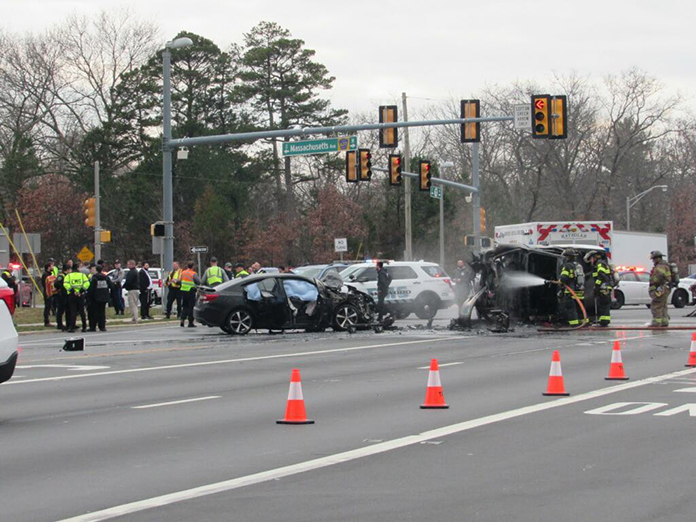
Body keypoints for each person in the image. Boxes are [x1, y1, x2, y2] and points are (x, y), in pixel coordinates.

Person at [585, 251, 613, 327]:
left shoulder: (600, 264)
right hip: (605, 288)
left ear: (594, 258)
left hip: (603, 288)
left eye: (590, 259)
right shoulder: (601, 264)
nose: (590, 261)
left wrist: (596, 286)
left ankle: (604, 321)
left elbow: (601, 276)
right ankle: (604, 320)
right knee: (603, 305)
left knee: (603, 305)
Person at [558, 249, 581, 327]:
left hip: (569, 291)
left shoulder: (567, 266)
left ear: (567, 257)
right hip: (577, 291)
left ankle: (573, 324)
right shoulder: (577, 265)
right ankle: (581, 322)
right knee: (578, 308)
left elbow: (564, 277)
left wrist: (560, 282)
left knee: (570, 308)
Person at [63, 264, 89, 333]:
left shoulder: (69, 276)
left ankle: (72, 327)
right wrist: (81, 291)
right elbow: (87, 283)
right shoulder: (82, 275)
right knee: (82, 312)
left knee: (73, 312)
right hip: (81, 295)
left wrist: (73, 291)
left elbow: (66, 284)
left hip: (72, 295)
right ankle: (84, 327)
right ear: (78, 268)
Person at [649, 250, 672, 327]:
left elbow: (657, 278)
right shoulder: (665, 265)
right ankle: (664, 321)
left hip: (661, 288)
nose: (653, 261)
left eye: (654, 259)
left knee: (656, 305)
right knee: (663, 305)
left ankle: (656, 322)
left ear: (657, 258)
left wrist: (652, 281)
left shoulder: (660, 267)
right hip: (666, 287)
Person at [87, 264, 113, 332]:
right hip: (104, 297)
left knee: (94, 312)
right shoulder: (106, 277)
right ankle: (102, 327)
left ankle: (93, 327)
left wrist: (89, 296)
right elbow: (111, 286)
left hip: (95, 298)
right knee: (102, 312)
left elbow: (91, 288)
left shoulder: (94, 277)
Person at [179, 261, 201, 327]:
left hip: (183, 291)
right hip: (190, 291)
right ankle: (190, 322)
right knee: (191, 307)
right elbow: (198, 282)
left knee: (185, 306)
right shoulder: (193, 273)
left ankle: (182, 319)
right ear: (193, 266)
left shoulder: (183, 272)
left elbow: (179, 281)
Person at [41, 263, 57, 327]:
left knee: (49, 306)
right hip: (47, 293)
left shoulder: (49, 274)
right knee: (47, 307)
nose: (53, 267)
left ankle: (48, 321)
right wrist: (48, 293)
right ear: (48, 267)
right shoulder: (45, 275)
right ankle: (46, 321)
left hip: (51, 292)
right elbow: (46, 285)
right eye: (52, 266)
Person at [54, 264, 69, 331]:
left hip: (67, 295)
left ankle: (69, 324)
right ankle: (59, 324)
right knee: (60, 310)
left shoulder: (67, 276)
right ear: (67, 270)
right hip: (61, 295)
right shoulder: (61, 276)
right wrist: (61, 288)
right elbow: (56, 284)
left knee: (68, 310)